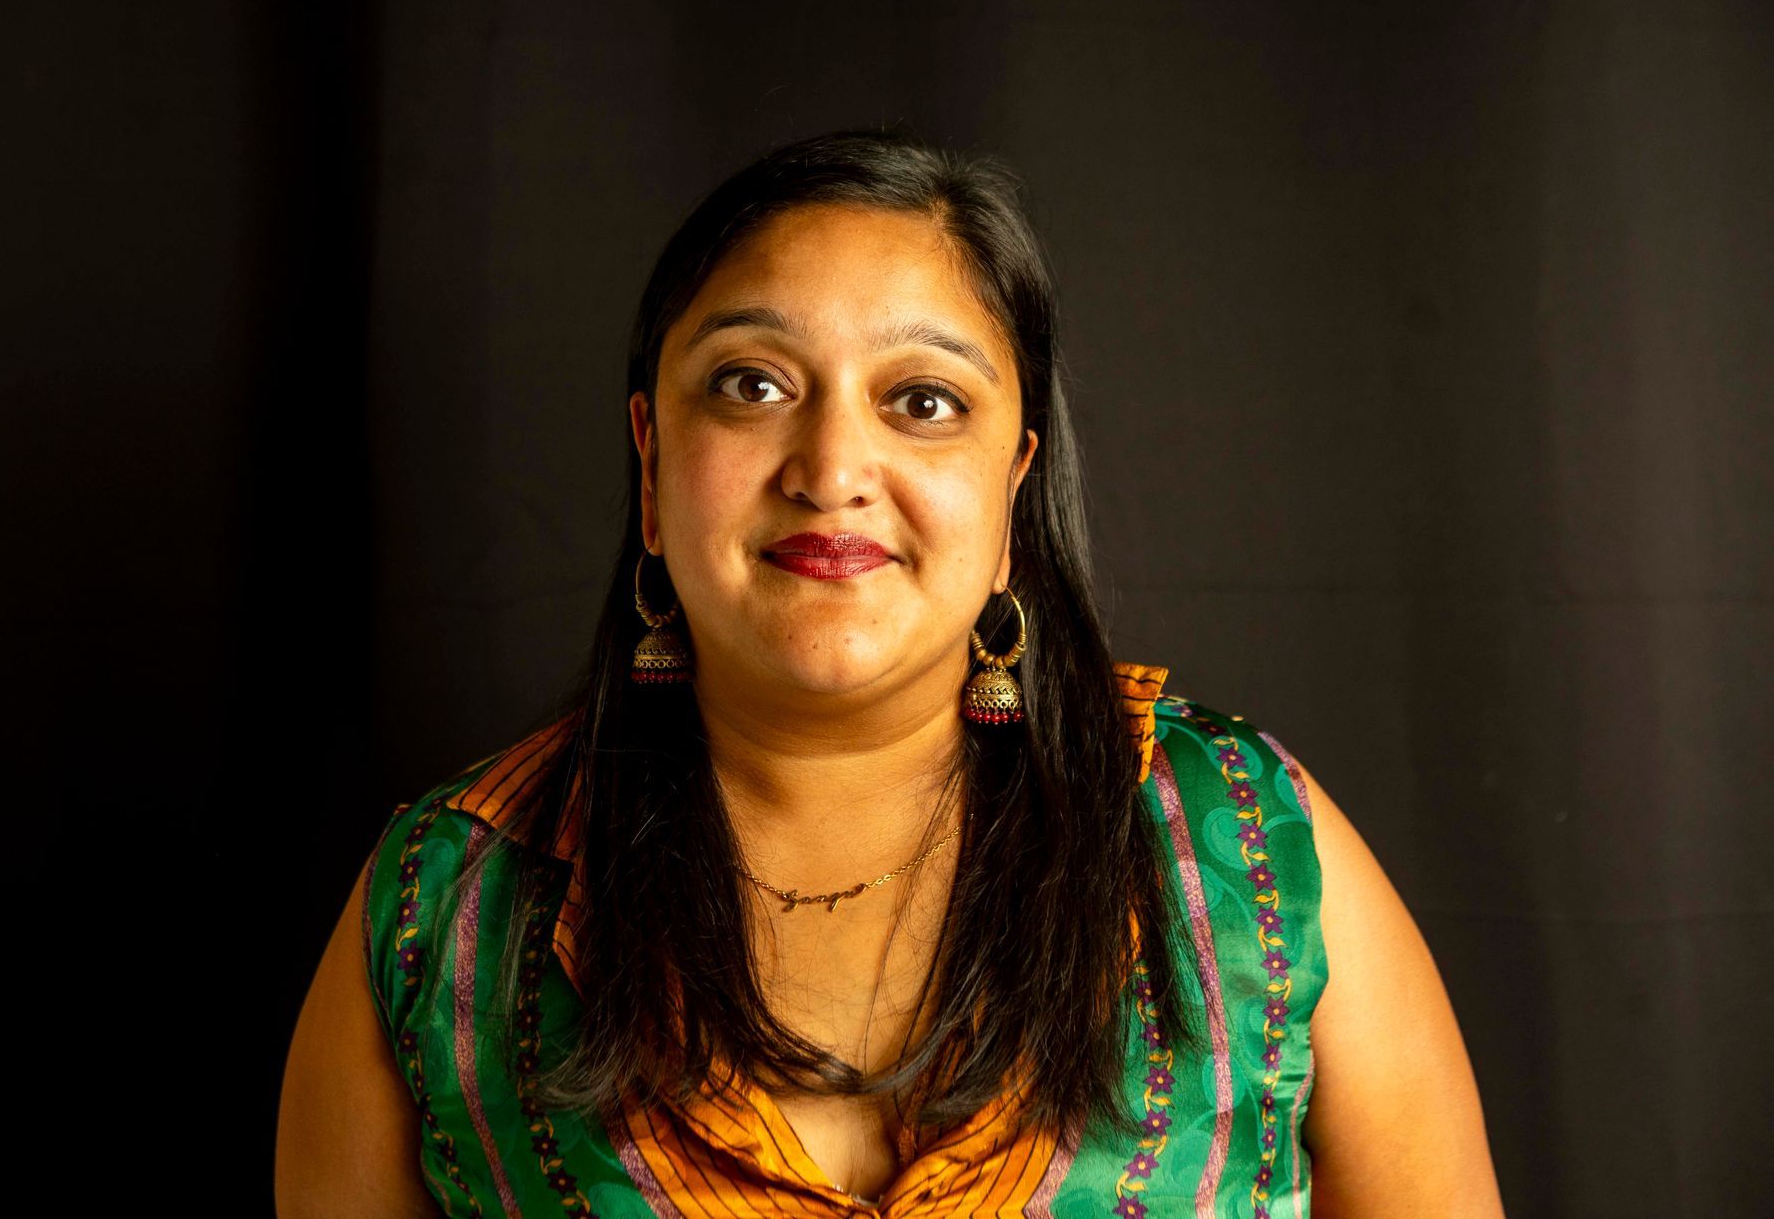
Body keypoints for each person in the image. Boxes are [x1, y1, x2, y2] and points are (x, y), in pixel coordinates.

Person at [276, 128, 1506, 1218]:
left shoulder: (1242, 850)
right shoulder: (446, 910)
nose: (832, 463)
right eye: (753, 384)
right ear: (651, 455)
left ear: (1014, 487)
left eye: (921, 400)